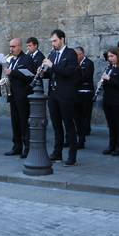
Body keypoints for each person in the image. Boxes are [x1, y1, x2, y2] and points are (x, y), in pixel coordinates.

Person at [41, 29, 80, 166]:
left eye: (55, 40)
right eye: (51, 41)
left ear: (62, 39)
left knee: (69, 125)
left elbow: (69, 72)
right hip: (53, 94)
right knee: (56, 125)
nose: (53, 43)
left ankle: (72, 156)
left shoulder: (70, 54)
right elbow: (51, 73)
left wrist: (52, 66)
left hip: (66, 94)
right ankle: (57, 152)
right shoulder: (52, 54)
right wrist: (42, 73)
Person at [4, 38, 35, 158]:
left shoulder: (27, 59)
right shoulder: (12, 60)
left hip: (23, 95)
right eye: (10, 46)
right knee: (15, 122)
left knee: (24, 122)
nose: (11, 49)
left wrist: (12, 72)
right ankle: (16, 147)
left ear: (20, 47)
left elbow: (29, 76)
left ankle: (27, 148)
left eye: (13, 46)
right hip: (13, 95)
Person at [100, 48, 119, 156]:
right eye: (109, 57)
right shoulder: (110, 68)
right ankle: (111, 145)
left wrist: (109, 79)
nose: (110, 59)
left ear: (118, 56)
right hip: (108, 100)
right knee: (111, 125)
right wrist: (102, 82)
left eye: (112, 56)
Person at [74, 46, 94, 149]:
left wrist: (74, 80)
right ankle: (81, 133)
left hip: (86, 91)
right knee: (79, 115)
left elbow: (86, 76)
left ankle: (86, 130)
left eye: (79, 54)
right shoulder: (74, 63)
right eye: (76, 55)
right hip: (77, 92)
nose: (77, 56)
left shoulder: (89, 63)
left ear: (83, 54)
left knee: (86, 112)